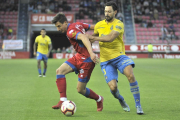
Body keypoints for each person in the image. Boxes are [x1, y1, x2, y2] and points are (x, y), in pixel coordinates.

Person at [86, 1, 144, 114]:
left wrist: (95, 39)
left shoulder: (119, 24)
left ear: (115, 12)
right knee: (113, 88)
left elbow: (110, 37)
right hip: (105, 60)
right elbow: (91, 38)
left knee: (131, 75)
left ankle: (138, 106)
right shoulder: (99, 25)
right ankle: (121, 99)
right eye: (105, 11)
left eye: (109, 11)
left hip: (119, 56)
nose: (106, 13)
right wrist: (85, 41)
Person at [51, 13, 104, 111]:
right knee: (59, 71)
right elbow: (94, 27)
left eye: (59, 26)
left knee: (81, 90)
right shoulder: (78, 24)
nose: (58, 29)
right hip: (78, 56)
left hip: (87, 60)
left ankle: (99, 99)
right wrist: (101, 28)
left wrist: (91, 53)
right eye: (56, 27)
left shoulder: (70, 31)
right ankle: (63, 100)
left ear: (65, 22)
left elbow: (84, 37)